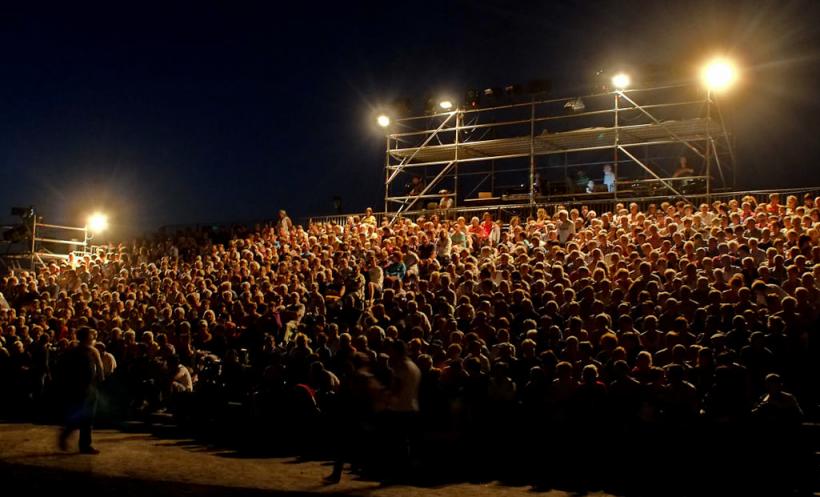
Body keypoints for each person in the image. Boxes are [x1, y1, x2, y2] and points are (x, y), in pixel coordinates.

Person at [58, 327, 105, 454]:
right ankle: (84, 444)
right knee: (87, 416)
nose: (93, 337)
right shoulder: (91, 351)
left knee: (80, 414)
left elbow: (63, 369)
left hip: (78, 387)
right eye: (91, 335)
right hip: (86, 388)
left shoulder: (72, 351)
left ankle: (68, 435)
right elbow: (100, 371)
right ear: (87, 337)